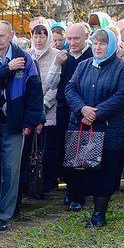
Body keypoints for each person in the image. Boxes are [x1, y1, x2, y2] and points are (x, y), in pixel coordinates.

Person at [0, 21, 43, 231]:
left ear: (11, 35)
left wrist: (30, 122)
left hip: (15, 124)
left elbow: (35, 93)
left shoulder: (25, 58)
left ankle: (4, 214)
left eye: (1, 36)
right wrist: (8, 68)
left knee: (11, 170)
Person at [65, 28, 124, 228]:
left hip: (112, 131)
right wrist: (82, 109)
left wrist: (97, 112)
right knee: (86, 171)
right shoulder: (84, 65)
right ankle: (82, 199)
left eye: (102, 44)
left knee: (107, 173)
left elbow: (122, 96)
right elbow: (71, 89)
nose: (97, 47)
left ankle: (99, 213)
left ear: (111, 46)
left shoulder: (122, 68)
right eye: (95, 43)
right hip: (84, 128)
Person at [47, 23, 93, 210]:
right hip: (64, 110)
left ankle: (79, 194)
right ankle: (71, 190)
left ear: (86, 37)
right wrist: (57, 65)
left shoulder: (92, 56)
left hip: (85, 111)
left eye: (76, 39)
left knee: (82, 154)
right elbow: (51, 83)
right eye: (69, 39)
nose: (72, 42)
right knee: (65, 152)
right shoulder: (63, 56)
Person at [24, 19, 59, 196]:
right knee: (29, 151)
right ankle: (29, 185)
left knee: (45, 152)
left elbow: (56, 86)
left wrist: (43, 106)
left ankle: (44, 185)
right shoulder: (26, 54)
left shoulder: (56, 55)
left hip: (49, 110)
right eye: (36, 36)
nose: (39, 40)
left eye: (42, 36)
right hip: (30, 111)